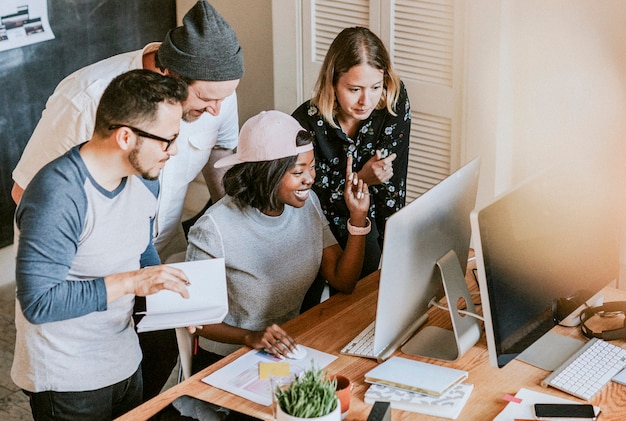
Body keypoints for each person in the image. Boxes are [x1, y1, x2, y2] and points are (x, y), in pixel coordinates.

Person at [10, 0, 244, 399]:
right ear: (170, 77)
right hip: (81, 289)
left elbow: (221, 153)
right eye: (206, 100)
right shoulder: (86, 99)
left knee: (145, 380)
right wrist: (112, 269)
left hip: (150, 260)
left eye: (224, 99)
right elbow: (26, 194)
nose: (216, 110)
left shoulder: (215, 91)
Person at [11, 69, 191, 421]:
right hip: (66, 378)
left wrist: (177, 304)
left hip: (123, 359)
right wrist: (131, 283)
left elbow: (141, 253)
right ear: (125, 137)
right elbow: (38, 301)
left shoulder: (145, 179)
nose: (174, 150)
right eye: (167, 140)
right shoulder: (58, 195)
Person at [185, 110, 370, 371]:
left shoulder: (308, 205)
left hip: (288, 348)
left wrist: (358, 218)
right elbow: (195, 319)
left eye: (312, 167)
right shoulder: (214, 228)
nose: (310, 179)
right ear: (267, 174)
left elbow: (344, 280)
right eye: (298, 172)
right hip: (230, 359)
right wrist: (251, 337)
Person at [292, 26, 411, 278]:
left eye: (376, 87)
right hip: (316, 232)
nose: (365, 101)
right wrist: (362, 179)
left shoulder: (393, 102)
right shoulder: (305, 123)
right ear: (333, 81)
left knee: (367, 295)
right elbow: (308, 204)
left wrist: (396, 253)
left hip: (368, 218)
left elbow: (393, 188)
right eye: (355, 89)